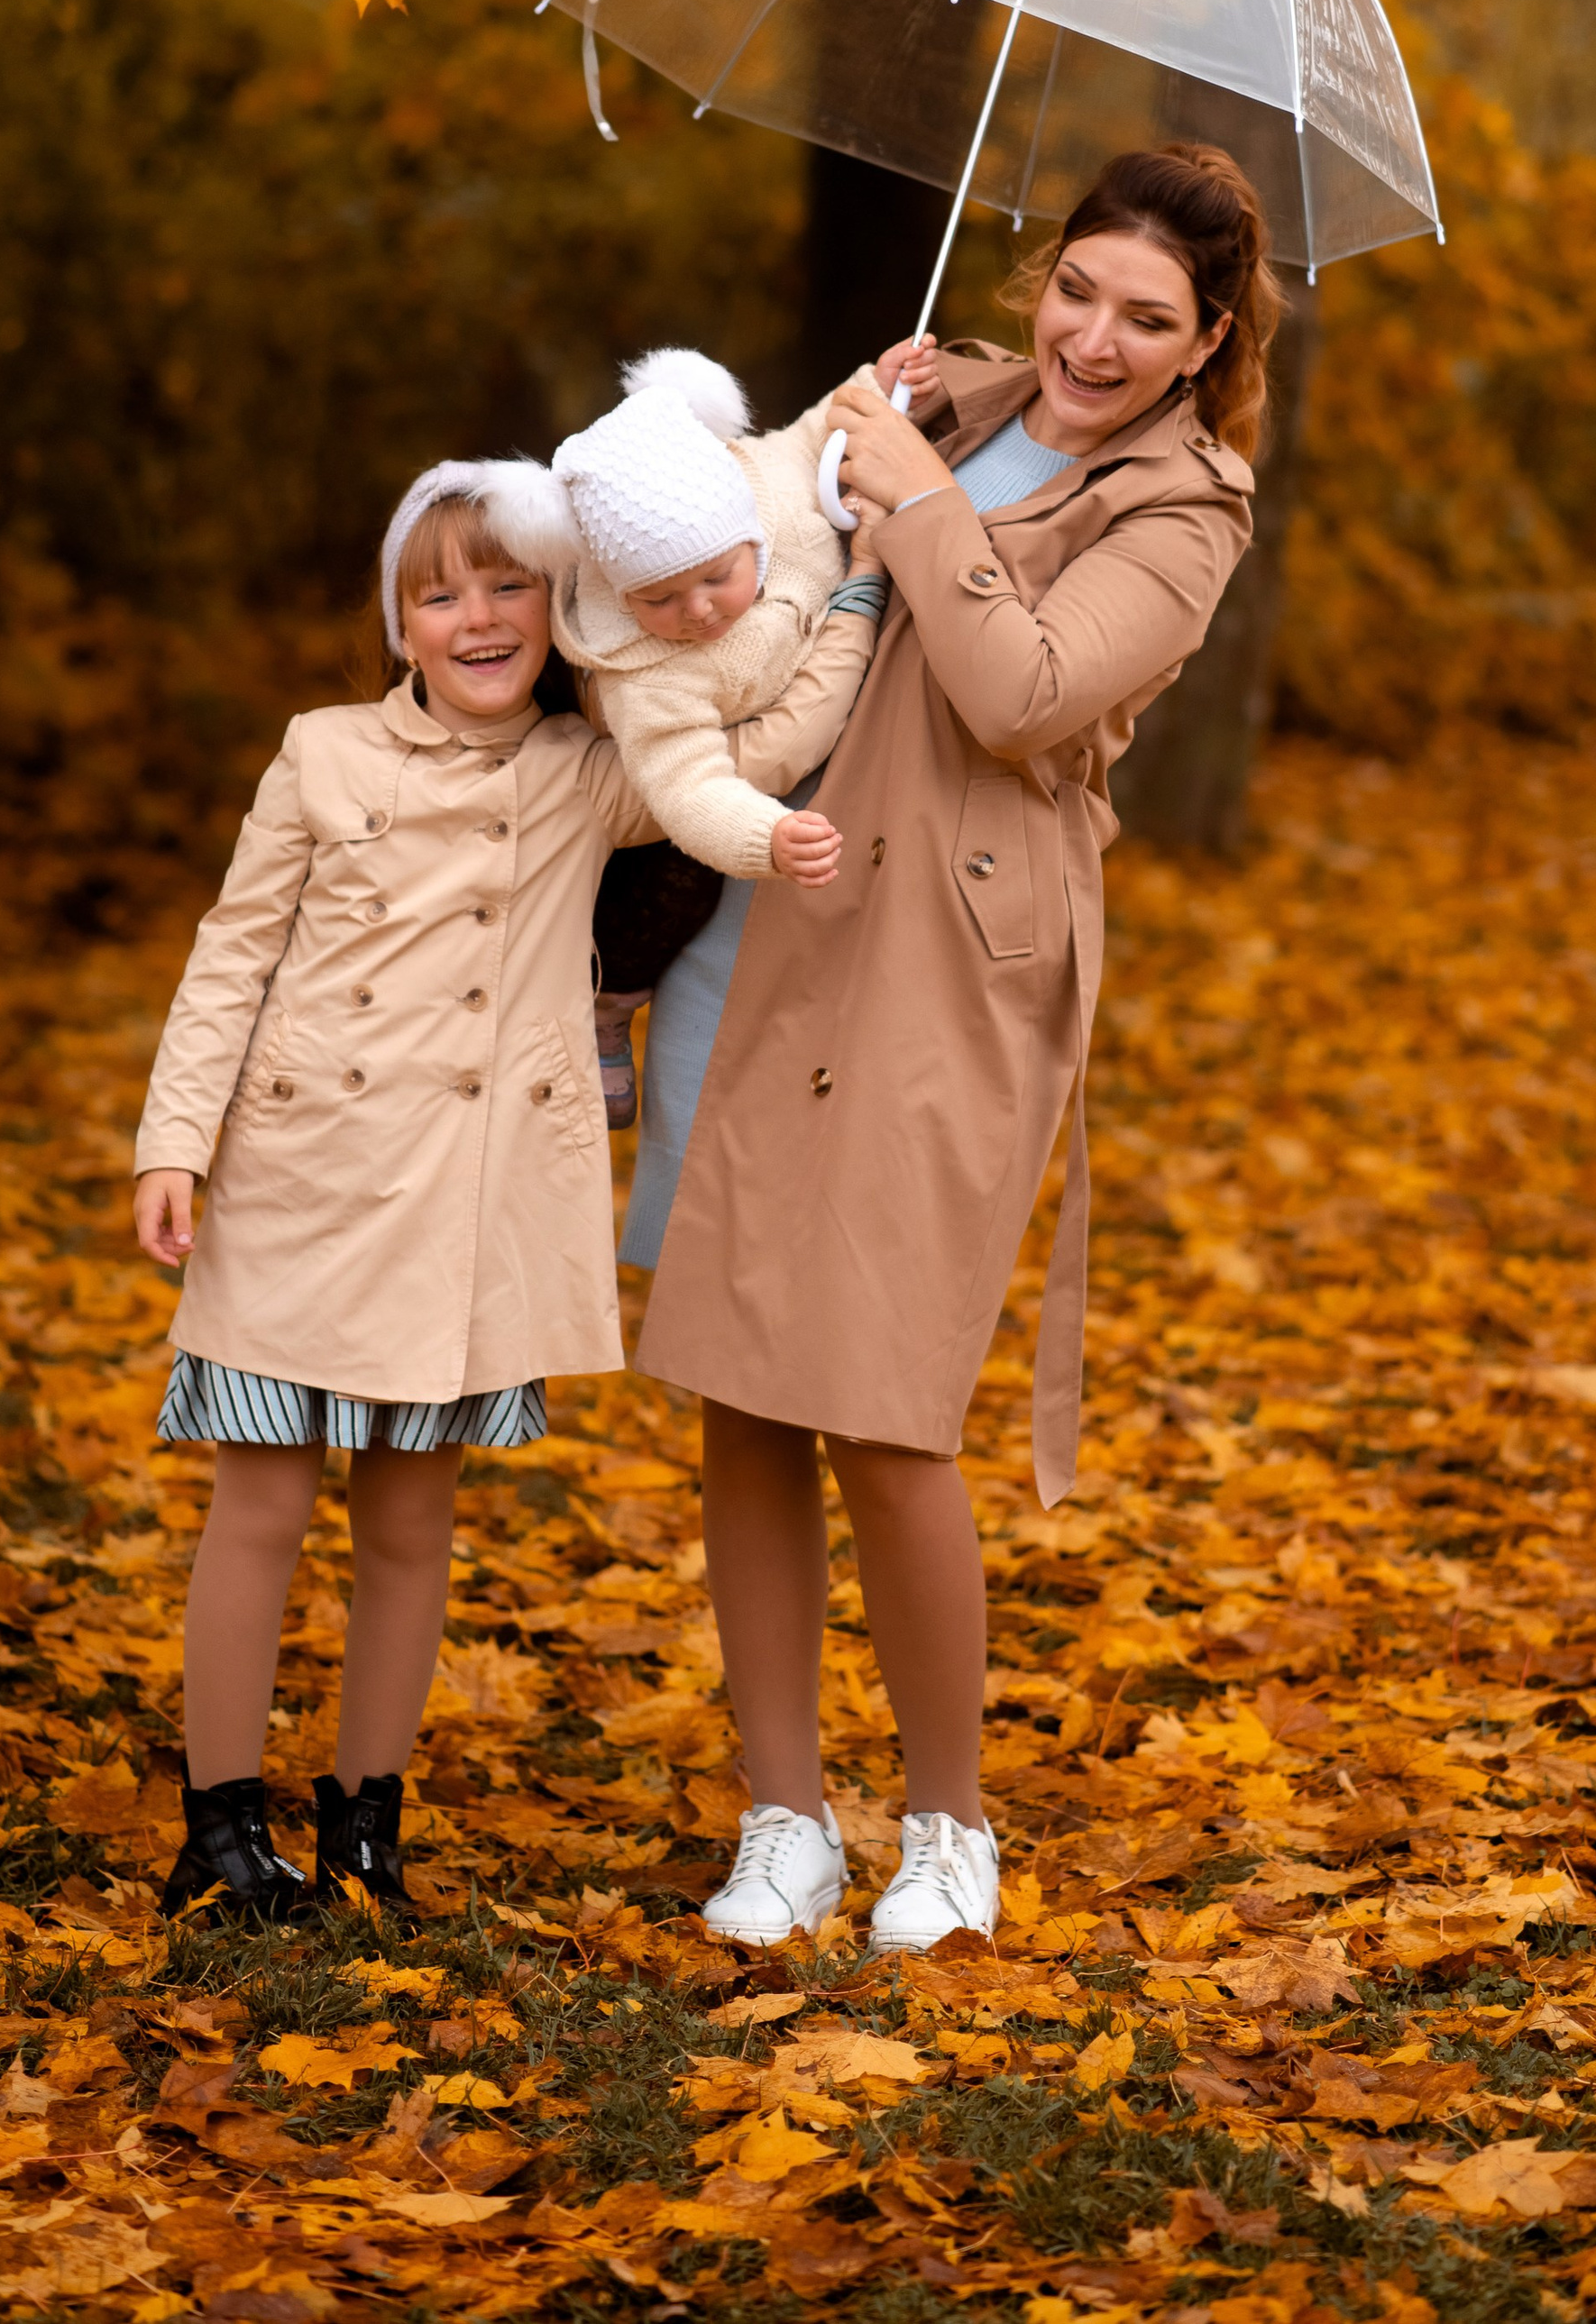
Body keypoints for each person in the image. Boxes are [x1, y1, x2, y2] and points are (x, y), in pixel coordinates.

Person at [631, 143, 1274, 1955]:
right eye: (1077, 287)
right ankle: (782, 1815)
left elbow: (1026, 693)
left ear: (1199, 343)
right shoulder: (944, 390)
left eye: (1144, 318)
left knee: (882, 1397)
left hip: (941, 960)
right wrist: (825, 447)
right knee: (741, 1373)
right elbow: (736, 577)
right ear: (1041, 279)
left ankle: (946, 1825)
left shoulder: (1184, 509)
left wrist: (915, 496)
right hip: (768, 908)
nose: (1090, 336)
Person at [128, 462, 861, 1925]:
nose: (475, 615)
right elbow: (232, 953)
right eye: (438, 590)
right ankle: (221, 1829)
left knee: (410, 1521)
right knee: (260, 1503)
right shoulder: (322, 754)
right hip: (299, 1186)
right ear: (401, 620)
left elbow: (767, 734)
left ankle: (363, 1826)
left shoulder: (588, 772)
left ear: (563, 608)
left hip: (467, 1210)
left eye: (507, 584)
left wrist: (848, 585)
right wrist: (174, 1139)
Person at [482, 345, 915, 1121]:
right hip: (690, 785)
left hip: (805, 657)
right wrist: (763, 837)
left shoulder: (773, 485)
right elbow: (688, 784)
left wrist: (878, 383)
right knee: (669, 878)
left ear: (748, 528)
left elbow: (819, 430)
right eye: (661, 598)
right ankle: (610, 997)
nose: (700, 611)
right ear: (623, 592)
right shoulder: (646, 671)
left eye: (717, 576)